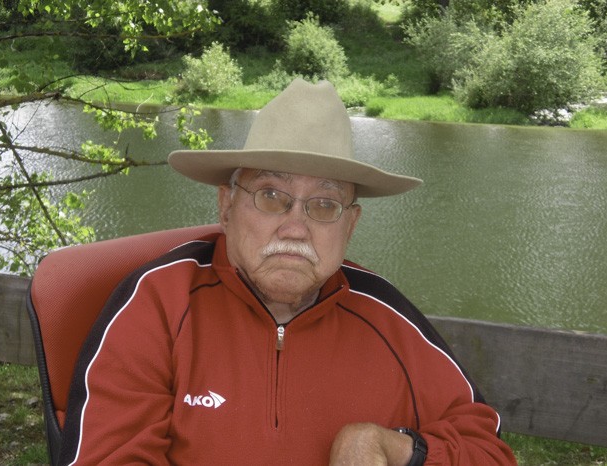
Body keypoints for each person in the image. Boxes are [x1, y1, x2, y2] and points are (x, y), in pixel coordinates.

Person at [58, 79, 517, 465]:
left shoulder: (389, 320)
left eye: (325, 204)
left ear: (350, 225)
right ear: (226, 206)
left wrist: (399, 449)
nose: (295, 228)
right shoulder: (158, 302)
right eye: (271, 195)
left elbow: (488, 450)